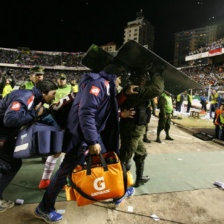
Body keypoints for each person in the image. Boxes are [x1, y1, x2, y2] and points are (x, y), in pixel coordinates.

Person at [34, 60, 135, 223]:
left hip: (89, 134)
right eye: (119, 76)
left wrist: (124, 94)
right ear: (112, 73)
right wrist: (92, 140)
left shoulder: (103, 83)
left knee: (109, 160)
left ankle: (119, 192)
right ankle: (44, 208)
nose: (120, 80)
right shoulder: (97, 83)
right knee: (64, 172)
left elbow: (105, 107)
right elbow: (86, 112)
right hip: (82, 136)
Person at [0, 79, 57, 213]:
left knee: (12, 163)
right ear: (44, 93)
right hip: (3, 133)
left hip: (5, 133)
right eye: (53, 94)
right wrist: (34, 114)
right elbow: (10, 119)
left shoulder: (34, 97)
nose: (54, 97)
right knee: (8, 164)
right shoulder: (27, 96)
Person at [119, 70, 164, 188]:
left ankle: (139, 179)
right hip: (131, 131)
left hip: (136, 130)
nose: (146, 80)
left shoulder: (134, 89)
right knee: (124, 157)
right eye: (144, 78)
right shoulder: (135, 90)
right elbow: (157, 89)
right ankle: (117, 184)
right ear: (139, 80)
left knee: (141, 153)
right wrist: (157, 74)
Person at [38, 73, 73, 189]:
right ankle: (56, 180)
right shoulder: (73, 97)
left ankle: (49, 180)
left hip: (65, 124)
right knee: (63, 153)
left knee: (62, 153)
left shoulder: (72, 92)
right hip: (62, 124)